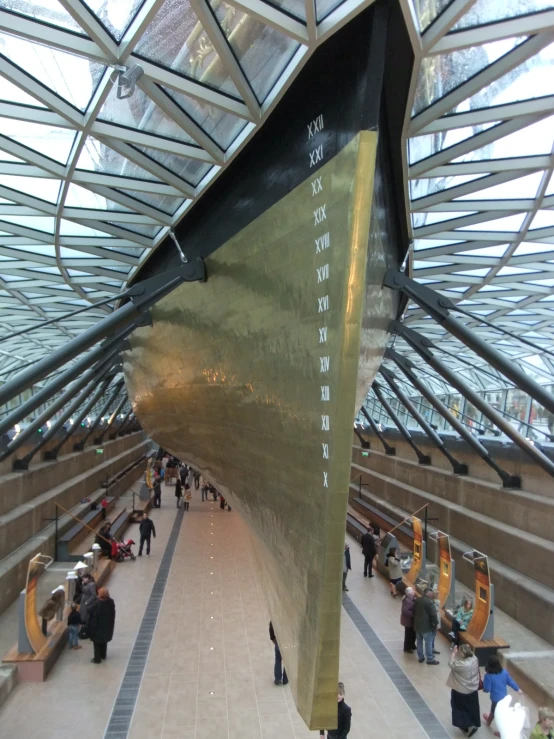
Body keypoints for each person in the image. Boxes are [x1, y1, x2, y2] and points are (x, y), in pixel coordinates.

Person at [482, 655, 522, 734]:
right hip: (504, 698)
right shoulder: (504, 672)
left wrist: (483, 685)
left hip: (496, 699)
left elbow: (487, 689)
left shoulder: (488, 676)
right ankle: (489, 720)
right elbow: (510, 682)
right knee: (501, 712)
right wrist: (518, 689)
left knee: (496, 713)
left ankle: (500, 730)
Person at [447, 644, 480, 737]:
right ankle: (474, 723)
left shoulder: (461, 664)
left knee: (459, 708)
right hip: (472, 688)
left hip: (460, 690)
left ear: (462, 653)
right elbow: (472, 653)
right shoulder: (474, 659)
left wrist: (453, 653)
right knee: (472, 707)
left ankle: (466, 725)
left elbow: (451, 663)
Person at [88, 587, 116, 664]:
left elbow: (89, 610)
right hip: (107, 625)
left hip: (97, 627)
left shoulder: (98, 603)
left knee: (96, 643)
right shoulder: (111, 602)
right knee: (104, 641)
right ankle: (103, 655)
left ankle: (97, 659)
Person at [414, 587, 440, 665]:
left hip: (418, 625)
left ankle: (420, 657)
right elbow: (433, 615)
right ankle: (430, 659)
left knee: (419, 642)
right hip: (427, 627)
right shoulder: (430, 602)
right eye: (431, 593)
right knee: (428, 643)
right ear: (429, 593)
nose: (432, 595)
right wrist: (435, 623)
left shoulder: (418, 599)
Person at [269, 621, 288, 685]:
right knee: (288, 661)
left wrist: (273, 638)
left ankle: (278, 679)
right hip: (289, 643)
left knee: (278, 659)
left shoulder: (277, 614)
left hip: (279, 640)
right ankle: (286, 679)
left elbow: (271, 626)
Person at [400, 586, 417, 653]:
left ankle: (412, 645)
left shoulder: (411, 599)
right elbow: (405, 611)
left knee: (413, 634)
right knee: (408, 634)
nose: (414, 591)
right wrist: (413, 615)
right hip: (408, 621)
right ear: (410, 593)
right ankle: (407, 647)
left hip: (410, 621)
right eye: (413, 591)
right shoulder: (407, 601)